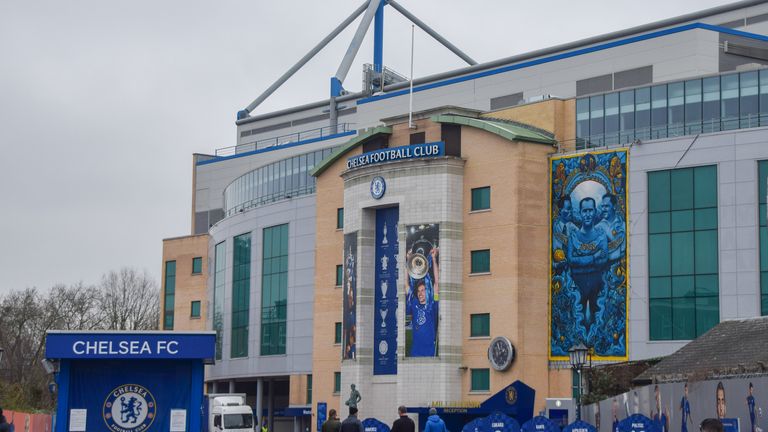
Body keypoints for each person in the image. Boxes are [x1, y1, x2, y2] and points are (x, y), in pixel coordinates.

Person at [567, 197, 608, 329]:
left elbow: (604, 260)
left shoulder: (601, 235)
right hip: (577, 286)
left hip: (597, 283)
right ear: (580, 212)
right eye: (585, 211)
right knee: (579, 320)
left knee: (596, 320)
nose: (588, 214)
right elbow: (571, 260)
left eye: (590, 210)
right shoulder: (573, 236)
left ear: (595, 211)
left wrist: (582, 262)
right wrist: (594, 256)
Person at [405, 248, 439, 357]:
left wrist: (433, 259)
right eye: (419, 291)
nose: (420, 293)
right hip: (415, 351)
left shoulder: (432, 303)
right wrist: (408, 261)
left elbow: (437, 283)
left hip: (430, 351)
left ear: (427, 292)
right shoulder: (414, 303)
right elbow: (406, 285)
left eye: (423, 290)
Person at [596, 193, 625, 263]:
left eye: (606, 206)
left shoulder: (623, 225)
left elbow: (624, 251)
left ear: (614, 206)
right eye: (602, 206)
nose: (603, 209)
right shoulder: (597, 228)